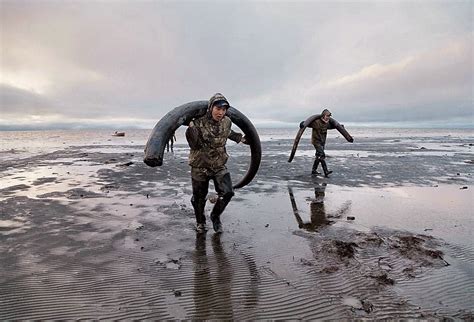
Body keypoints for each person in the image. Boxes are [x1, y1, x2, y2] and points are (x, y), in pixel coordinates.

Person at [185, 93, 248, 233]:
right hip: (200, 165)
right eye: (218, 108)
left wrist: (241, 139)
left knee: (228, 192)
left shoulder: (227, 121)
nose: (221, 112)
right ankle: (200, 222)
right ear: (211, 107)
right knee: (199, 198)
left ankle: (215, 216)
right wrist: (191, 129)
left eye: (224, 109)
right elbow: (194, 145)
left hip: (219, 164)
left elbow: (228, 132)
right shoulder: (197, 122)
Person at [300, 108, 335, 177]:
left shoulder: (327, 124)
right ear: (323, 116)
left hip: (322, 142)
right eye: (327, 116)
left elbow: (331, 126)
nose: (328, 118)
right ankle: (326, 171)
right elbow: (308, 124)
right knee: (322, 155)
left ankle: (314, 170)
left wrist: (339, 127)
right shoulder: (316, 122)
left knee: (318, 156)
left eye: (329, 116)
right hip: (316, 141)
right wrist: (302, 123)